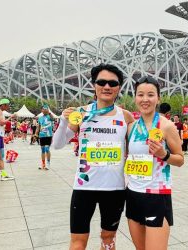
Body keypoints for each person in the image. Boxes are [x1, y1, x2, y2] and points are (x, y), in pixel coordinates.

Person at [54, 63, 134, 250]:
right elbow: (57, 144)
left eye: (112, 83)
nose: (107, 87)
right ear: (94, 85)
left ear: (119, 88)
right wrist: (63, 120)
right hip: (84, 187)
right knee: (78, 241)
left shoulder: (126, 116)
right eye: (102, 82)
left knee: (108, 239)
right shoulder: (81, 113)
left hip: (114, 188)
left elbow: (137, 148)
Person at [125, 76, 184, 250]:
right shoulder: (131, 127)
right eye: (140, 94)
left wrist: (163, 154)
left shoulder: (166, 126)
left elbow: (180, 159)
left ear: (158, 98)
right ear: (135, 97)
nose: (145, 99)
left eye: (150, 95)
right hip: (133, 193)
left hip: (157, 195)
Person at [35, 105, 54, 170]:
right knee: (42, 150)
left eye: (46, 109)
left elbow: (52, 119)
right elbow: (38, 127)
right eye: (43, 109)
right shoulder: (40, 118)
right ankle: (43, 164)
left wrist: (49, 113)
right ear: (41, 110)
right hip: (41, 135)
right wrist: (36, 134)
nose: (45, 110)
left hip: (48, 135)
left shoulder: (49, 116)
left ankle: (48, 164)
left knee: (47, 149)